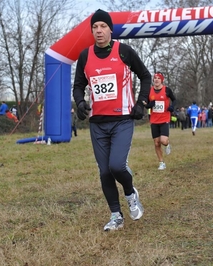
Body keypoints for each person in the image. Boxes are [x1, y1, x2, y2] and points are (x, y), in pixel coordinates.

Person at [72, 9, 151, 231]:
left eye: (103, 26)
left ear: (110, 29)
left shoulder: (124, 51)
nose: (99, 31)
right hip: (97, 122)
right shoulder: (85, 56)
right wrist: (79, 103)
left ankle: (130, 193)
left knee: (116, 165)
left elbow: (145, 76)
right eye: (95, 27)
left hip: (122, 119)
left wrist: (141, 103)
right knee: (104, 171)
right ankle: (116, 215)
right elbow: (78, 85)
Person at [142, 72, 176, 170]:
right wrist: (149, 105)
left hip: (165, 118)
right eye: (155, 78)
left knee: (163, 141)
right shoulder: (150, 91)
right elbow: (146, 104)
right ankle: (161, 162)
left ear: (162, 80)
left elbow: (174, 100)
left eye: (158, 78)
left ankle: (167, 144)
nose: (156, 80)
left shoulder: (167, 90)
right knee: (156, 142)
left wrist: (172, 106)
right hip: (154, 120)